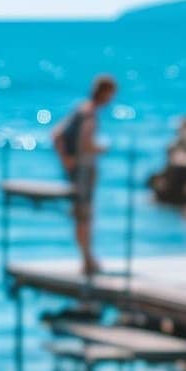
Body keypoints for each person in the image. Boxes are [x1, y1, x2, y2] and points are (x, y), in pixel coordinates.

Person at [52, 74, 117, 277]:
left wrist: (66, 160)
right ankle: (87, 259)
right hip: (84, 171)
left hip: (76, 170)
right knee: (84, 215)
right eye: (111, 95)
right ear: (104, 93)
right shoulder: (89, 114)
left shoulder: (81, 109)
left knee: (80, 215)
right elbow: (85, 143)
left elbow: (57, 135)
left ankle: (87, 258)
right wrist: (100, 148)